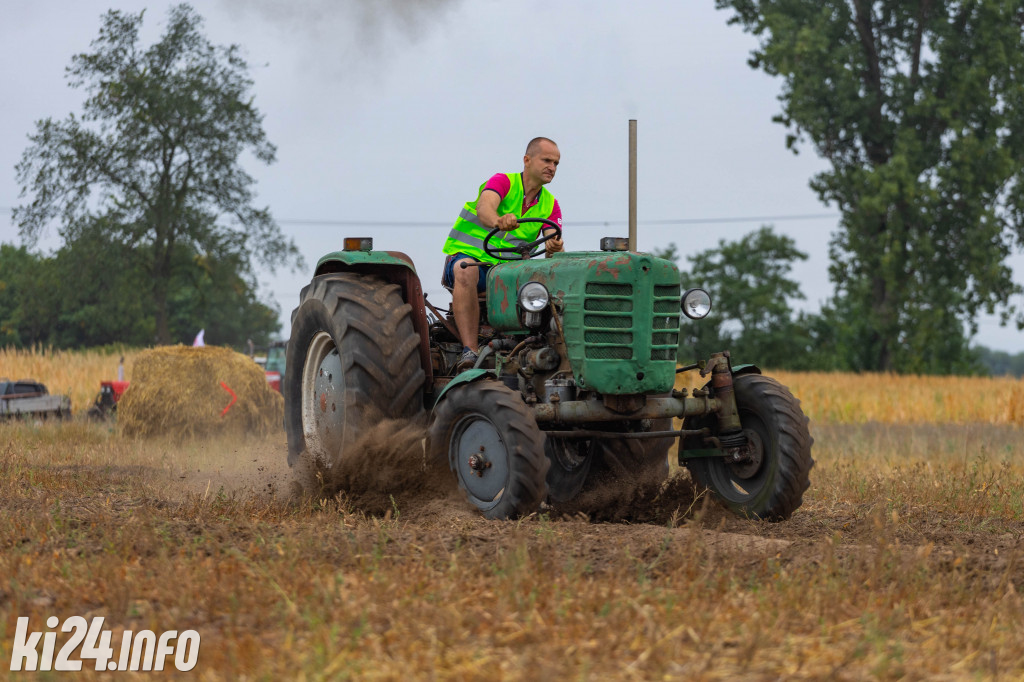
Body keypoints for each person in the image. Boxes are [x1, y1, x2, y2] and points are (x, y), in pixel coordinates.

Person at [442, 137, 564, 366]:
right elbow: (484, 208)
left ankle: (541, 348)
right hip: (472, 263)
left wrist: (554, 245)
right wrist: (498, 220)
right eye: (546, 160)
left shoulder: (550, 204)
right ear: (527, 160)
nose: (552, 167)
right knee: (464, 270)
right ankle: (469, 350)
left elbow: (553, 239)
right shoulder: (503, 182)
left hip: (508, 275)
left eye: (556, 163)